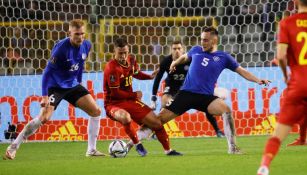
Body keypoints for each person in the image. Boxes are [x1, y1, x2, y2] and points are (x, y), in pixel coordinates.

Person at [157, 27, 270, 155]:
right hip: (186, 94)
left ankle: (232, 147)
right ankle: (134, 142)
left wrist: (258, 80)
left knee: (226, 111)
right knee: (159, 120)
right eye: (201, 40)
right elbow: (184, 57)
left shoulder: (224, 57)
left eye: (205, 40)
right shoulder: (196, 50)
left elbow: (242, 71)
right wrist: (174, 63)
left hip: (205, 97)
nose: (202, 43)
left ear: (214, 40)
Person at [4, 19, 105, 160]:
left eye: (82, 34)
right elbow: (47, 73)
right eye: (77, 34)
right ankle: (13, 147)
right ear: (69, 33)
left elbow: (81, 64)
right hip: (55, 86)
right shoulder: (61, 49)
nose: (80, 37)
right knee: (44, 118)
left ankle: (91, 150)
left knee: (96, 111)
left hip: (72, 84)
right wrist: (44, 96)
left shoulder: (86, 45)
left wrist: (80, 81)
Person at [103, 37, 181, 156]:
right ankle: (137, 144)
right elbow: (116, 93)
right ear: (114, 52)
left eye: (125, 53)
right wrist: (135, 94)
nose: (123, 56)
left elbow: (136, 73)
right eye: (120, 53)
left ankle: (168, 150)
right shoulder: (112, 68)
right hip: (113, 104)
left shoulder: (131, 60)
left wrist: (148, 77)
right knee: (125, 117)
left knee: (156, 123)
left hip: (131, 101)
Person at [257, 0, 307, 174]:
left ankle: (264, 166)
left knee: (278, 135)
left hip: (298, 84)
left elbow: (280, 56)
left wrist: (287, 77)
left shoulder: (287, 23)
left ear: (295, 2)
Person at [150, 40, 224, 137]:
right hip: (172, 87)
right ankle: (157, 131)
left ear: (183, 50)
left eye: (179, 48)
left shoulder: (190, 59)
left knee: (207, 105)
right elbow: (158, 79)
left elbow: (202, 72)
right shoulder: (166, 61)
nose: (177, 51)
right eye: (174, 49)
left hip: (188, 87)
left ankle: (218, 130)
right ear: (171, 50)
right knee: (165, 103)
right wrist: (153, 97)